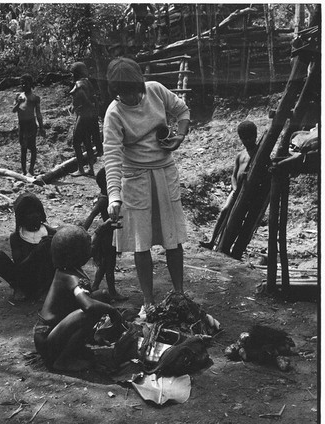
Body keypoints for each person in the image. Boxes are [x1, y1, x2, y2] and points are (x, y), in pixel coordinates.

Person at [103, 57, 190, 317]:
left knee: (172, 238)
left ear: (140, 84)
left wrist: (179, 137)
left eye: (133, 90)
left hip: (164, 172)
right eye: (123, 92)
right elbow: (112, 156)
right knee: (141, 243)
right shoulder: (114, 114)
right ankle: (149, 301)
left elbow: (182, 110)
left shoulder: (155, 90)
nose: (130, 96)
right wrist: (114, 196)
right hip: (135, 178)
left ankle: (179, 293)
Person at [34, 225, 122, 372]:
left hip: (54, 333)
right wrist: (112, 311)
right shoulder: (70, 277)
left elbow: (88, 242)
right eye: (87, 247)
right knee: (88, 312)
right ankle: (63, 360)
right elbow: (87, 305)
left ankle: (77, 346)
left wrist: (102, 228)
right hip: (47, 339)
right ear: (77, 254)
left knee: (102, 297)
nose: (91, 248)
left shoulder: (68, 268)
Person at [200, 120, 258, 250]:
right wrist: (235, 187)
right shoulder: (240, 155)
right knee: (225, 211)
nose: (247, 141)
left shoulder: (259, 154)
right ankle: (212, 240)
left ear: (255, 136)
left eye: (250, 138)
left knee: (237, 219)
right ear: (240, 138)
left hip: (248, 193)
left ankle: (230, 246)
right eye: (244, 139)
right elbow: (233, 174)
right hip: (236, 190)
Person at [0, 192, 56, 301]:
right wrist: (37, 252)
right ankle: (19, 288)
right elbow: (20, 268)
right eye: (29, 213)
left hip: (45, 279)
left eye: (37, 211)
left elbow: (58, 264)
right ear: (21, 217)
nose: (35, 215)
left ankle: (46, 290)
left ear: (42, 213)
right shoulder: (16, 237)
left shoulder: (51, 233)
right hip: (25, 279)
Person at [83, 167, 127, 301]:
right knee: (110, 266)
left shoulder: (107, 198)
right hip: (108, 237)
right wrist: (83, 231)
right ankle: (112, 292)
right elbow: (91, 215)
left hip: (110, 235)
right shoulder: (104, 199)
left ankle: (95, 286)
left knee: (103, 264)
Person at [70, 62, 103, 177]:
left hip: (83, 115)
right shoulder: (88, 82)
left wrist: (77, 107)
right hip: (91, 115)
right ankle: (91, 168)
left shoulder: (79, 84)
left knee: (76, 142)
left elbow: (83, 98)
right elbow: (94, 99)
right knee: (87, 141)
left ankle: (80, 169)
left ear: (76, 73)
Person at [13, 74, 45, 176]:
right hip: (22, 125)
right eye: (21, 83)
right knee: (23, 147)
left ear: (30, 84)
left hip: (31, 124)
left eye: (25, 83)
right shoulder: (18, 96)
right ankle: (23, 171)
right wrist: (18, 103)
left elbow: (38, 113)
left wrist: (41, 127)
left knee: (32, 147)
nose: (23, 85)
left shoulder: (35, 98)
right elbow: (13, 110)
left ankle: (31, 170)